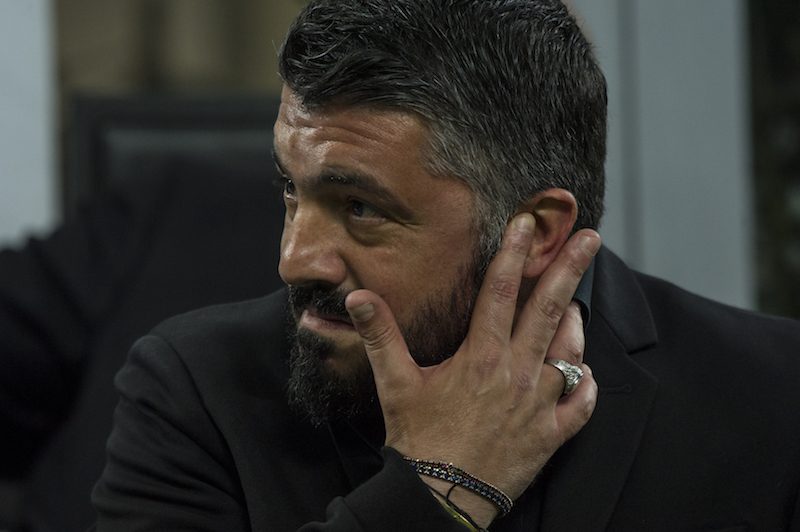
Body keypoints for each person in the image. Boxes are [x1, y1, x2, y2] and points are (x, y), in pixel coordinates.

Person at [92, 1, 800, 530]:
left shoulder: (773, 396)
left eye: (360, 207)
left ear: (537, 231)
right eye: (290, 189)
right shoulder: (195, 394)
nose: (294, 260)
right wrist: (438, 488)